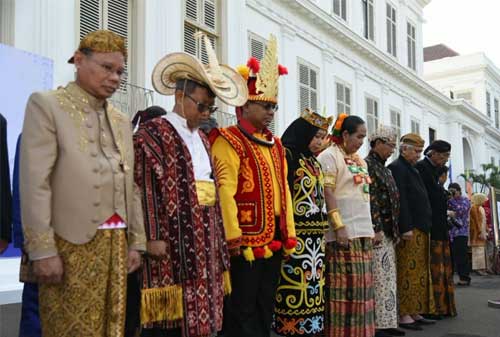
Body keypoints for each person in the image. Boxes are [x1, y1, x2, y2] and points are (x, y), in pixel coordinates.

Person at [20, 30, 146, 337]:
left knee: (113, 327)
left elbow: (130, 184)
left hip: (116, 245)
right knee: (69, 330)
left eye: (119, 71)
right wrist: (42, 250)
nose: (115, 78)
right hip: (68, 244)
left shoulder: (120, 119)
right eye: (106, 67)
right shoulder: (47, 105)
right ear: (79, 60)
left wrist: (137, 241)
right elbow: (35, 182)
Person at [134, 34, 246, 337]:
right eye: (202, 106)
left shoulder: (200, 138)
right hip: (170, 240)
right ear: (180, 97)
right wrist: (153, 236)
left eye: (210, 107)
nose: (207, 113)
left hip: (205, 236)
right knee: (168, 321)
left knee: (202, 318)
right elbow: (144, 188)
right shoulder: (153, 133)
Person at [210, 34, 297, 337]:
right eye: (264, 107)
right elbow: (224, 191)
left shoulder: (275, 144)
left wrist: (289, 232)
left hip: (272, 234)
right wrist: (232, 237)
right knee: (240, 306)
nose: (271, 113)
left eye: (273, 107)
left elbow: (284, 189)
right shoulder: (227, 139)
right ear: (244, 107)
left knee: (265, 302)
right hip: (244, 239)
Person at [272, 108, 333, 337]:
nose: (319, 142)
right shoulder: (287, 156)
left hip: (316, 238)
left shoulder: (313, 162)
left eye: (322, 137)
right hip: (295, 233)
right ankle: (290, 327)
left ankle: (312, 326)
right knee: (294, 282)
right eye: (316, 136)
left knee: (314, 284)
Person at [317, 114, 375, 337]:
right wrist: (338, 226)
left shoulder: (359, 160)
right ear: (345, 134)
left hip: (362, 233)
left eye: (364, 137)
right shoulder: (329, 156)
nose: (362, 141)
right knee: (344, 289)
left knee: (362, 289)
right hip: (342, 233)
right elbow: (327, 192)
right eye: (359, 136)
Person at [388, 133, 435, 331]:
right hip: (410, 229)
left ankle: (415, 310)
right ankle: (404, 313)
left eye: (419, 152)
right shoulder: (397, 168)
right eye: (415, 151)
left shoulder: (411, 169)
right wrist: (405, 227)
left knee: (418, 272)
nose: (418, 155)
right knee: (407, 271)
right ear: (404, 149)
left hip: (421, 228)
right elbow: (401, 201)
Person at [365, 126, 404, 337]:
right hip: (378, 231)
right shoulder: (368, 165)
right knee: (379, 278)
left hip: (390, 231)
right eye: (390, 145)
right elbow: (371, 200)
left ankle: (388, 321)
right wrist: (377, 228)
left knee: (388, 278)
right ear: (378, 143)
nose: (392, 150)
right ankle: (378, 324)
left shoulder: (385, 169)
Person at [416, 140, 456, 318]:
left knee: (442, 268)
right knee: (433, 270)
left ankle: (443, 307)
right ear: (433, 153)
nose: (445, 160)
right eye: (443, 155)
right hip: (429, 226)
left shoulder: (434, 170)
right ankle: (433, 308)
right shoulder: (422, 168)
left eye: (447, 156)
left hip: (440, 227)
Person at [447, 183, 471, 285]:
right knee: (450, 257)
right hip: (450, 233)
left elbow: (461, 210)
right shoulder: (448, 201)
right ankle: (449, 278)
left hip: (461, 232)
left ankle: (464, 278)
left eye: (453, 191)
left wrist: (451, 200)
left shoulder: (465, 200)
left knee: (462, 256)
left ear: (459, 191)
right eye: (450, 191)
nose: (452, 194)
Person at [470, 193, 489, 275]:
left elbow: (484, 221)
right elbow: (476, 221)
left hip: (481, 232)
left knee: (480, 251)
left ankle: (481, 268)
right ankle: (478, 269)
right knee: (477, 251)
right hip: (477, 233)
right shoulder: (474, 208)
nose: (485, 201)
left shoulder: (480, 208)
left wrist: (486, 229)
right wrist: (480, 231)